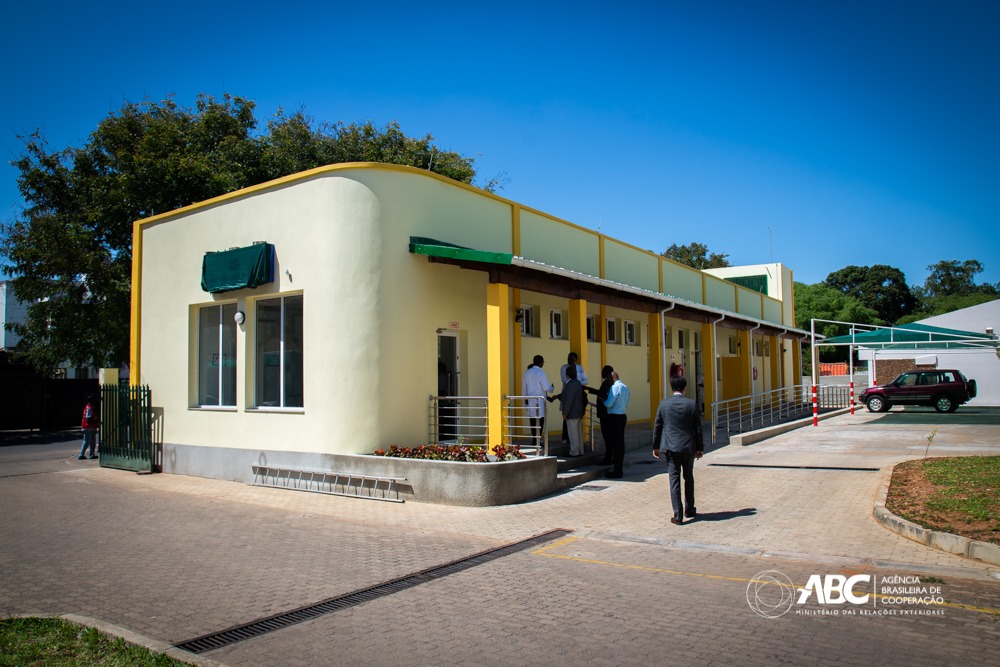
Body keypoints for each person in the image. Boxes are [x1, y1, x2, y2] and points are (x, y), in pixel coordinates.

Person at [652, 375, 704, 524]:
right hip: (688, 447)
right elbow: (698, 429)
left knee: (674, 480)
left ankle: (678, 515)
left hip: (670, 448)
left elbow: (657, 427)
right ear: (684, 388)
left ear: (672, 387)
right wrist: (700, 448)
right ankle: (690, 508)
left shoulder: (664, 404)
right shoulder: (692, 404)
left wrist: (655, 446)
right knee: (689, 477)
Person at [550, 364, 586, 457]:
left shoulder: (570, 384)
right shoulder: (577, 383)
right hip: (579, 412)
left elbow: (569, 399)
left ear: (567, 374)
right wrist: (557, 396)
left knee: (572, 433)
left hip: (572, 412)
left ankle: (574, 452)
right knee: (578, 433)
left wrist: (565, 413)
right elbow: (567, 394)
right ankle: (580, 451)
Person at [521, 355, 554, 449]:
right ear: (540, 362)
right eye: (543, 361)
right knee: (540, 420)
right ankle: (538, 440)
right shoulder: (541, 373)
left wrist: (525, 399)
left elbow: (524, 388)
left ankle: (534, 439)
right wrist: (552, 388)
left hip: (530, 400)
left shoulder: (527, 373)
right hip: (539, 401)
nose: (543, 363)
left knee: (532, 420)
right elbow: (546, 387)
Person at [603, 371, 630, 478]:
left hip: (614, 417)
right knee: (620, 445)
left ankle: (617, 470)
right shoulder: (625, 387)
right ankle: (618, 468)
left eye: (609, 379)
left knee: (616, 444)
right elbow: (626, 403)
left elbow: (609, 403)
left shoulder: (614, 387)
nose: (608, 381)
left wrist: (603, 401)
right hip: (622, 415)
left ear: (612, 378)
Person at [586, 365, 615, 465]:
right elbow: (601, 392)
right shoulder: (608, 382)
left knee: (608, 437)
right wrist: (589, 389)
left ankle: (608, 458)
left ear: (606, 373)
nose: (601, 373)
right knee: (608, 437)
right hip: (606, 414)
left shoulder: (608, 383)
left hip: (606, 415)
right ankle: (609, 457)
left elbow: (603, 394)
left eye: (602, 371)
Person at [559, 352, 588, 444]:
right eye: (568, 358)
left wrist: (576, 382)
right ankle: (565, 437)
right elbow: (565, 380)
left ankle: (576, 448)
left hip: (578, 395)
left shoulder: (580, 368)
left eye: (572, 359)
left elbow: (586, 380)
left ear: (575, 360)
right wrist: (577, 383)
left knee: (576, 422)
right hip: (569, 393)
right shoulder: (564, 367)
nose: (569, 360)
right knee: (567, 416)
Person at [78, 395, 100, 460]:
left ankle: (91, 454)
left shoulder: (89, 407)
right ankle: (81, 454)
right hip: (88, 427)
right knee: (87, 441)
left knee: (92, 442)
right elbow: (88, 419)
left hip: (91, 427)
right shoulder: (90, 408)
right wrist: (95, 420)